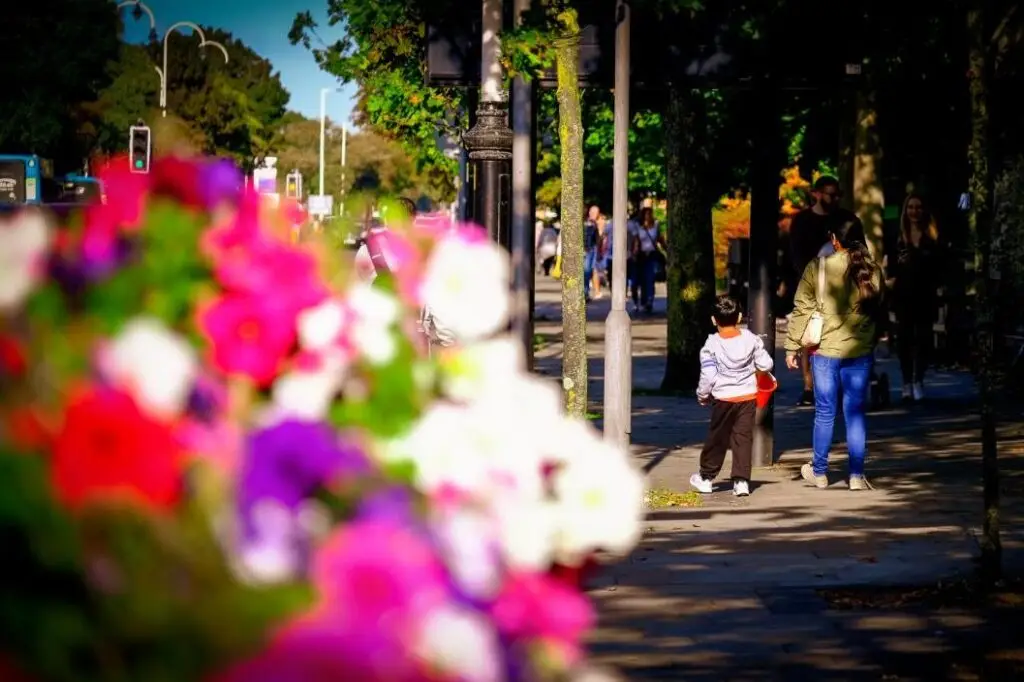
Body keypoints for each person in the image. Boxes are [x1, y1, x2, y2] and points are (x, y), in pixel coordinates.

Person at [784, 219, 884, 491]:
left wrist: (792, 346)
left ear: (835, 240)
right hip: (860, 351)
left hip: (825, 351)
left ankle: (819, 471)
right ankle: (855, 475)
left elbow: (802, 308)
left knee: (825, 412)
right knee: (855, 413)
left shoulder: (818, 268)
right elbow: (879, 310)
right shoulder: (872, 270)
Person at [786, 176, 864, 406]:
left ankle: (837, 382)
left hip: (844, 286)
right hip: (812, 284)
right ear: (816, 194)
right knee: (810, 336)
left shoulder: (848, 220)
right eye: (830, 194)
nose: (835, 198)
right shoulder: (802, 221)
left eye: (837, 194)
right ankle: (809, 386)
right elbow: (797, 254)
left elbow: (861, 250)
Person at [690, 295, 775, 498]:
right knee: (743, 438)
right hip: (747, 397)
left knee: (717, 438)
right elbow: (766, 364)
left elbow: (708, 375)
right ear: (739, 318)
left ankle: (706, 478)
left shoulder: (711, 346)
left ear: (713, 320)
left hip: (723, 399)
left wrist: (702, 394)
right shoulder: (751, 339)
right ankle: (741, 481)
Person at [890, 193, 940, 401]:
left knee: (924, 339)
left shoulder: (932, 236)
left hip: (926, 294)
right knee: (905, 339)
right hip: (904, 294)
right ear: (905, 210)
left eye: (918, 207)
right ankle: (906, 382)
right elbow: (892, 264)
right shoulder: (899, 236)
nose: (914, 211)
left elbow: (939, 265)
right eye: (910, 207)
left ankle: (919, 379)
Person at [632, 207, 666, 314]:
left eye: (649, 214)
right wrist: (635, 252)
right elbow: (637, 241)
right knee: (642, 279)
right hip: (641, 256)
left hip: (652, 254)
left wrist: (666, 249)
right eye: (646, 214)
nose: (648, 216)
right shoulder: (639, 226)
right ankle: (643, 301)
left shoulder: (656, 225)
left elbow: (660, 239)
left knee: (650, 278)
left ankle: (649, 301)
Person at [583, 205, 601, 301]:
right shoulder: (581, 223)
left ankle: (585, 292)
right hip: (583, 250)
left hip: (590, 250)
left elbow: (597, 238)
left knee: (587, 271)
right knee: (585, 271)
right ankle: (584, 292)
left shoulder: (593, 223)